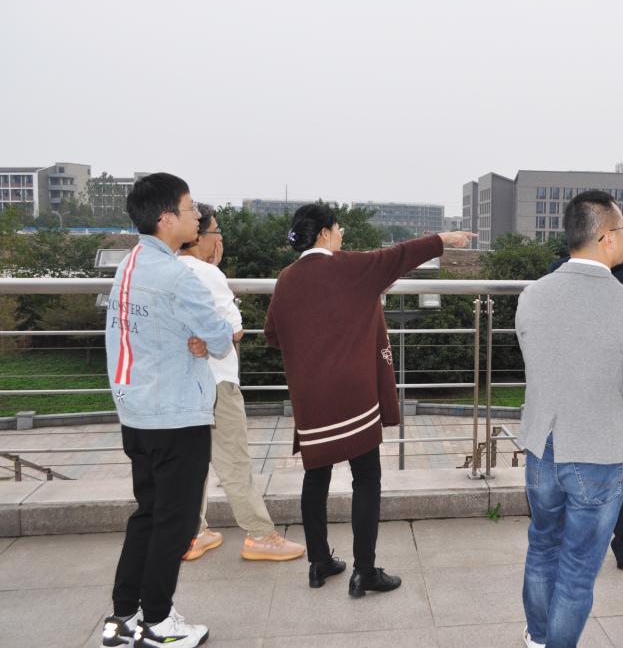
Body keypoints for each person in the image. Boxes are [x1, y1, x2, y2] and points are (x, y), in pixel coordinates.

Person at [263, 203, 474, 595]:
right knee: (366, 477)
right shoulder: (352, 266)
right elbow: (400, 255)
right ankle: (364, 571)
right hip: (353, 394)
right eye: (338, 228)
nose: (342, 234)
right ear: (324, 233)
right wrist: (445, 239)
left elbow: (273, 334)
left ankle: (319, 563)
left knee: (316, 474)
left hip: (310, 397)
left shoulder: (287, 278)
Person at [517, 190, 623, 648]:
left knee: (543, 545)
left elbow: (536, 365)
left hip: (543, 444)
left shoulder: (532, 296)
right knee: (578, 567)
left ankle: (539, 638)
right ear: (605, 237)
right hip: (599, 450)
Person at [101, 173, 235, 648]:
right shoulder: (179, 276)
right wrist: (201, 339)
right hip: (176, 415)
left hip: (136, 411)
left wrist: (192, 337)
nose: (197, 215)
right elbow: (220, 337)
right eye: (190, 207)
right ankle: (158, 621)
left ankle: (123, 617)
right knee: (175, 523)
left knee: (148, 514)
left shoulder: (129, 264)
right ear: (166, 218)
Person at [178, 204, 305, 562]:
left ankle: (191, 533)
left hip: (180, 384)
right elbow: (234, 330)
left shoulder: (167, 269)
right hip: (216, 381)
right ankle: (260, 536)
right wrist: (214, 271)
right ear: (198, 236)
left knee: (191, 462)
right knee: (234, 461)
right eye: (216, 231)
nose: (220, 239)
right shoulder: (207, 274)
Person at [547, 250, 623, 571]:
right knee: (622, 467)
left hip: (573, 389)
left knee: (571, 463)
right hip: (620, 388)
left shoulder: (559, 270)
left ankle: (576, 545)